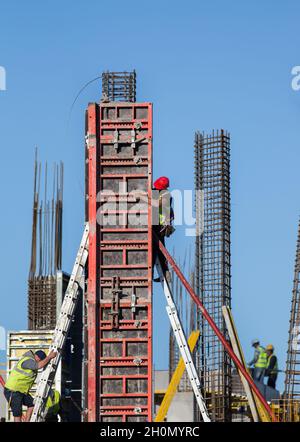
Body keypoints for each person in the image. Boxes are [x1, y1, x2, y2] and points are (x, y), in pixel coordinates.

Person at [4, 349, 57, 422]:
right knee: (17, 414)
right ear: (38, 357)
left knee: (32, 405)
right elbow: (38, 366)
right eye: (41, 360)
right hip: (13, 390)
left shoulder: (31, 361)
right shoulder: (28, 361)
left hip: (21, 391)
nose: (40, 361)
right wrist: (49, 357)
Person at [152, 176, 175, 282]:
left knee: (157, 250)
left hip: (160, 226)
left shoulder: (166, 195)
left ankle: (165, 273)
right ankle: (165, 273)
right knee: (159, 250)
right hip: (157, 224)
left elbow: (156, 204)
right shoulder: (159, 193)